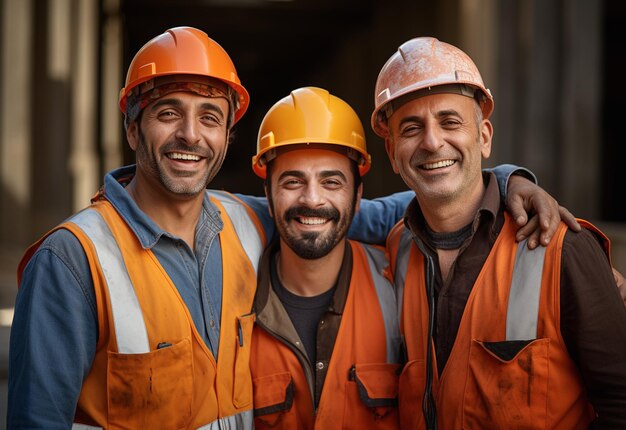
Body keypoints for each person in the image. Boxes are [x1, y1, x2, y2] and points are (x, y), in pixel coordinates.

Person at [7, 26, 574, 429]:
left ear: (227, 137)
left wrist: (502, 182)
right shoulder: (74, 260)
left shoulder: (244, 221)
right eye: (166, 113)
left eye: (209, 117)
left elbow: (387, 209)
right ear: (133, 129)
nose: (190, 135)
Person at [373, 37, 626, 429]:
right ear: (392, 154)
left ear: (485, 137)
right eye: (411, 128)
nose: (432, 141)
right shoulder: (395, 250)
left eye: (449, 121)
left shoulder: (561, 248)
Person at [248, 87, 402, 429]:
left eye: (331, 182)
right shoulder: (232, 304)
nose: (312, 199)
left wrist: (504, 180)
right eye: (292, 181)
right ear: (268, 197)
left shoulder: (400, 283)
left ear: (358, 196)